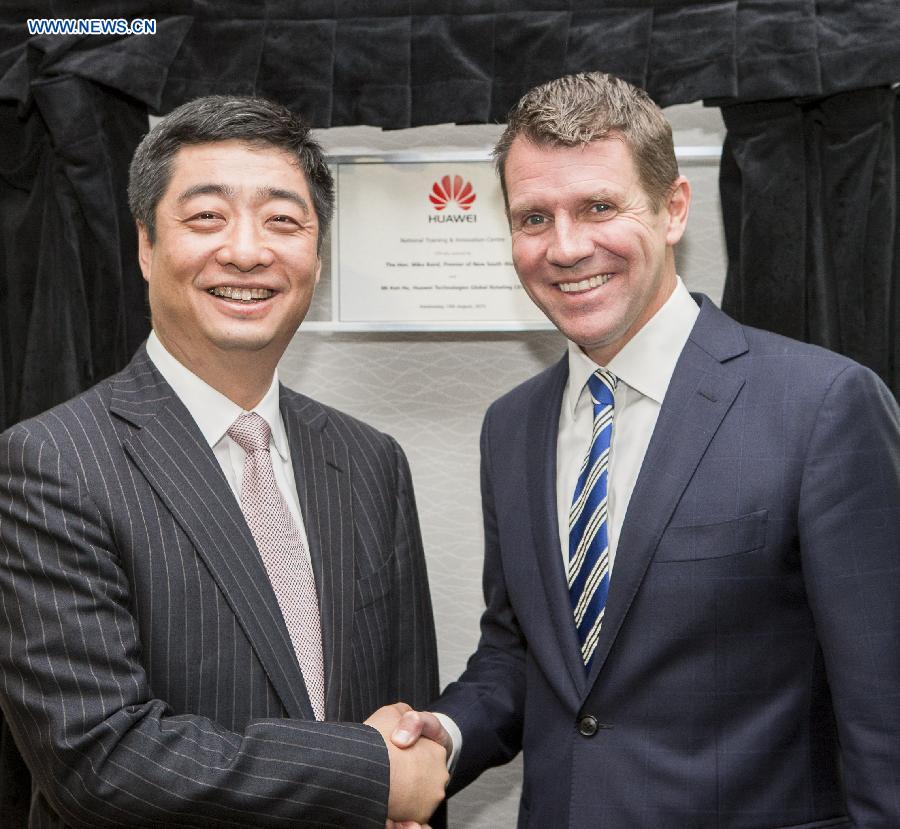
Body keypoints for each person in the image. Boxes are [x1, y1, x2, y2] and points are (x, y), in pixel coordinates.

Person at [392, 72, 900, 827]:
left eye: (599, 206)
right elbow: (523, 655)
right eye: (534, 217)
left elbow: (884, 714)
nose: (566, 246)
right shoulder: (512, 426)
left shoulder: (824, 406)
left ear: (672, 209)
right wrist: (446, 733)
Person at [0, 96, 447, 828]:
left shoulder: (372, 462)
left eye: (283, 220)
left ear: (318, 254)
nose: (246, 250)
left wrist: (404, 780)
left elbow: (408, 734)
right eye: (206, 217)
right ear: (145, 244)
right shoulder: (50, 463)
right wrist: (369, 774)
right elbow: (97, 756)